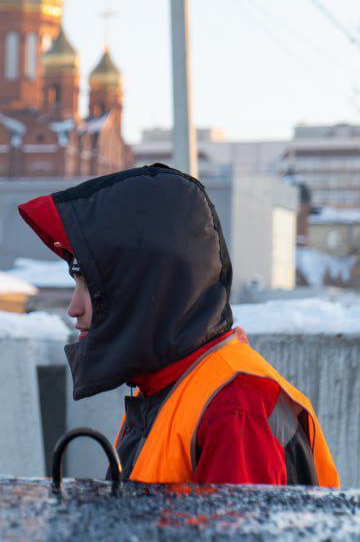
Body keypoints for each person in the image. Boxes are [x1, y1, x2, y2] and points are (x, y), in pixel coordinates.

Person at [19, 164, 337, 486]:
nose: (73, 308)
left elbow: (234, 523)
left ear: (141, 288)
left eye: (90, 287)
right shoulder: (163, 389)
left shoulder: (236, 409)